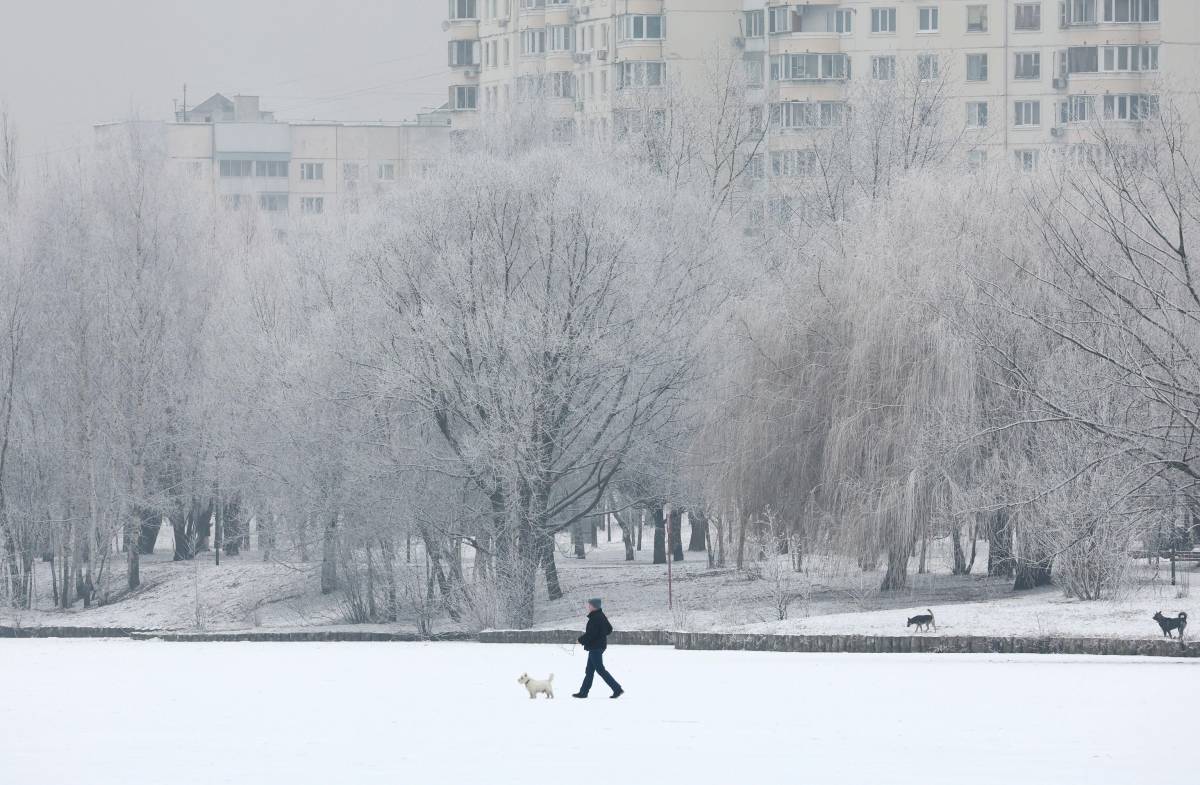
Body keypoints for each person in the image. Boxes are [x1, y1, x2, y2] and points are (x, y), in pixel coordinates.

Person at [573, 598, 624, 699]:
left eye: (589, 605)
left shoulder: (596, 617)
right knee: (589, 670)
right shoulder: (600, 615)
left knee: (600, 670)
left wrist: (580, 640)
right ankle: (583, 692)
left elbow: (591, 634)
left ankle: (617, 689)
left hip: (596, 647)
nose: (588, 606)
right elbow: (609, 629)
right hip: (597, 646)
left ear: (593, 606)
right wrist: (601, 635)